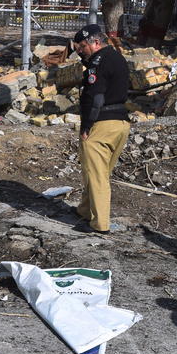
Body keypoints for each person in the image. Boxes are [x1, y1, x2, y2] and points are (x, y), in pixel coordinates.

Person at [72, 24, 130, 234]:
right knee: (96, 171)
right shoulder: (117, 58)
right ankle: (85, 210)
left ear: (96, 42)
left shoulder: (98, 62)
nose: (80, 51)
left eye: (82, 46)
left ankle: (100, 224)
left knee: (97, 177)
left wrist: (87, 126)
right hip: (121, 124)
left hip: (102, 124)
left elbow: (94, 97)